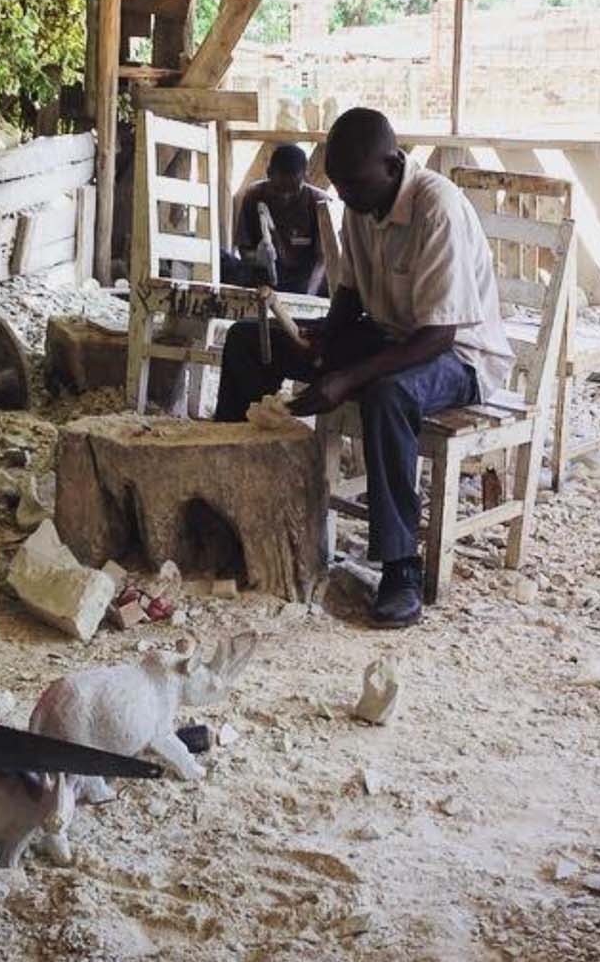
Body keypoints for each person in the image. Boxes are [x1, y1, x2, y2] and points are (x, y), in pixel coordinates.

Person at [213, 107, 512, 629]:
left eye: (355, 184)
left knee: (387, 394)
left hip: (458, 356)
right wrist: (326, 335)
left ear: (393, 165)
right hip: (392, 338)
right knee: (248, 341)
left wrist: (348, 376)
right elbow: (350, 287)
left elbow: (438, 333)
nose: (346, 196)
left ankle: (400, 569)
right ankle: (226, 504)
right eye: (341, 186)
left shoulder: (436, 207)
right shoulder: (358, 201)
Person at [222, 143, 331, 296]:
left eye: (293, 190)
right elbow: (244, 250)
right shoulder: (254, 195)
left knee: (340, 285)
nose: (285, 197)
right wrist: (258, 257)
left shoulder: (319, 201)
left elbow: (323, 259)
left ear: (305, 177)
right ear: (268, 173)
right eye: (278, 189)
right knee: (223, 263)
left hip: (306, 278)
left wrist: (308, 296)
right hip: (267, 276)